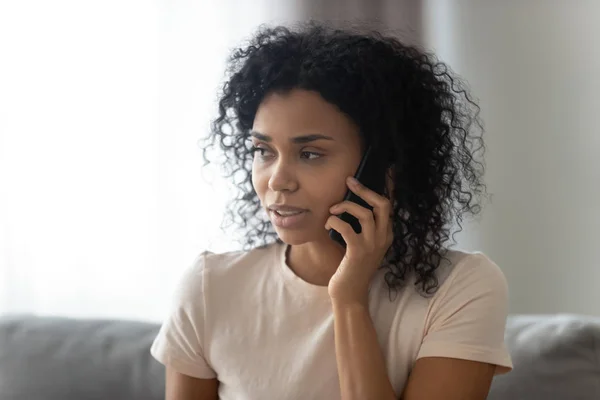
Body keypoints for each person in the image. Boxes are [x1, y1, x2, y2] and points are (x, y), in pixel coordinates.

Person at [150, 20, 513, 400]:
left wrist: (350, 300)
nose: (277, 180)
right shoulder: (210, 288)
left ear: (384, 169)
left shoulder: (461, 288)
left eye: (310, 154)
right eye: (263, 151)